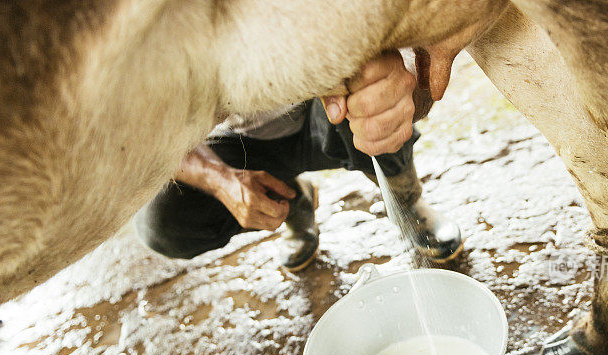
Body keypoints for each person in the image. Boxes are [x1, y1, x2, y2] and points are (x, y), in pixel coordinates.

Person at [135, 52, 463, 271]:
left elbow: (404, 53)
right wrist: (221, 179)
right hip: (238, 141)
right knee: (163, 223)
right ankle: (294, 203)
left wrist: (397, 83)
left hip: (324, 106)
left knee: (368, 92)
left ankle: (407, 202)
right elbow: (145, 137)